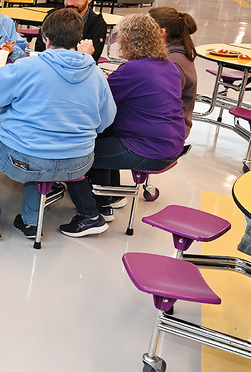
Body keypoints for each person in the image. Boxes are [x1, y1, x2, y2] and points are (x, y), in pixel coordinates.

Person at [0, 8, 116, 240]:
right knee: (41, 165)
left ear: (45, 39)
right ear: (78, 39)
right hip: (77, 163)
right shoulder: (96, 74)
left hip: (27, 158)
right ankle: (30, 222)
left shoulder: (27, 67)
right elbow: (106, 120)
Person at [61, 14, 185, 237]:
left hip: (147, 149)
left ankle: (89, 217)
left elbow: (93, 98)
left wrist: (83, 61)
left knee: (71, 155)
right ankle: (104, 203)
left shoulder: (134, 70)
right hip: (171, 143)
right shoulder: (168, 66)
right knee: (102, 137)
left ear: (129, 41)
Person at [148, 6, 198, 137]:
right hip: (167, 129)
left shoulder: (173, 63)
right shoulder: (175, 53)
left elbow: (157, 103)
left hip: (166, 135)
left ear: (161, 32)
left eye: (145, 27)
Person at [32, 0, 107, 61]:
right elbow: (39, 49)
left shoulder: (97, 24)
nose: (70, 3)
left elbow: (93, 59)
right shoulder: (52, 17)